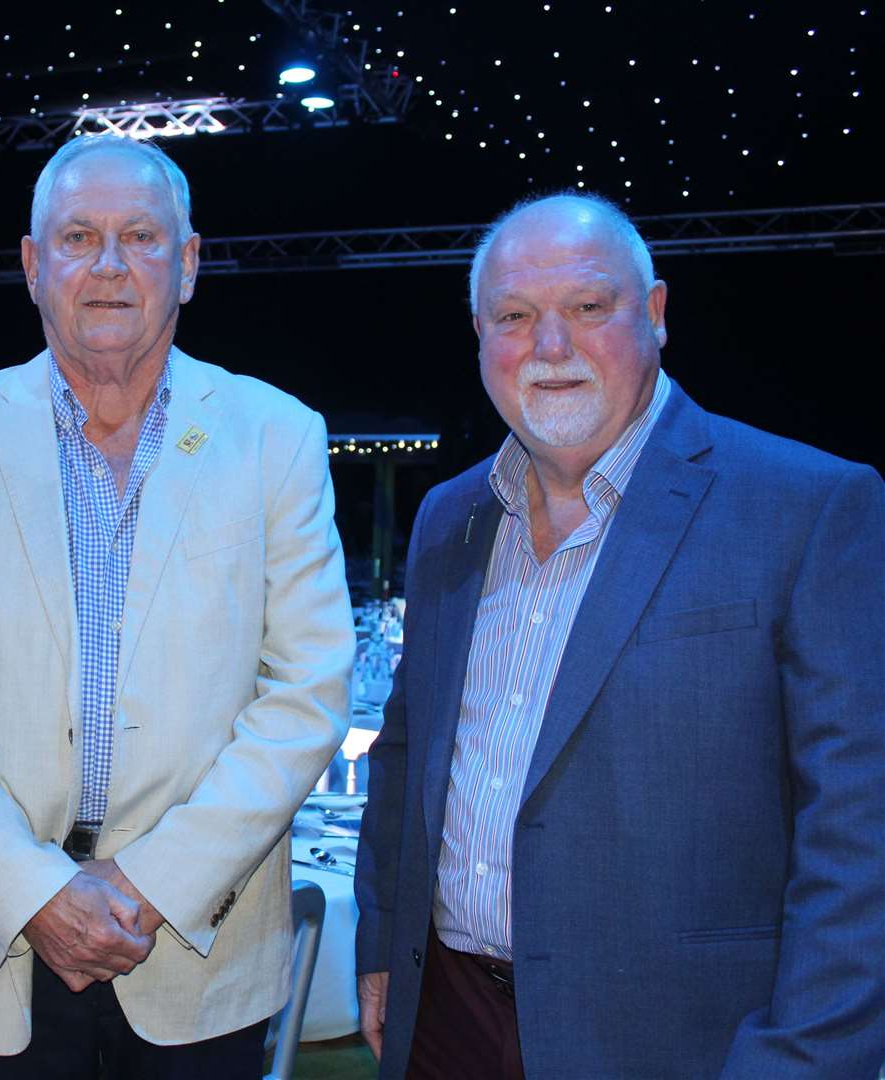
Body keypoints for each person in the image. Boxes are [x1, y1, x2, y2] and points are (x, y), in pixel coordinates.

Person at [354, 192, 885, 1078]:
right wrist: (381, 941)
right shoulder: (452, 519)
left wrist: (803, 1059)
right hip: (443, 1021)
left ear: (656, 313)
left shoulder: (806, 509)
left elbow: (861, 836)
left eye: (588, 308)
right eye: (515, 317)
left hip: (680, 1043)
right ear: (480, 335)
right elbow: (405, 758)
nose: (550, 347)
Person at [0, 135, 353, 1079]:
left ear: (188, 264)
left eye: (140, 236)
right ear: (30, 264)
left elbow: (307, 694)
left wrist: (150, 883)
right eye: (78, 237)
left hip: (192, 949)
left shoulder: (277, 438)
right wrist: (35, 892)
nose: (107, 264)